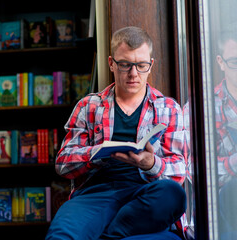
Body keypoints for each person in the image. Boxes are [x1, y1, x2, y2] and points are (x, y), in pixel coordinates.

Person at [45, 26, 187, 240]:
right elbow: (63, 164)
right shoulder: (88, 106)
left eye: (141, 65)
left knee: (173, 194)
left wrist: (150, 164)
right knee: (61, 235)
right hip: (96, 194)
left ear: (151, 65)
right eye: (125, 65)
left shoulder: (168, 109)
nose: (133, 74)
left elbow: (179, 171)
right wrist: (96, 153)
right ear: (111, 63)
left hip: (145, 194)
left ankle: (107, 235)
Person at [214, 28, 237, 240]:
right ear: (221, 62)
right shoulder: (204, 108)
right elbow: (193, 170)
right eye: (235, 63)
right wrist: (233, 163)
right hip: (227, 203)